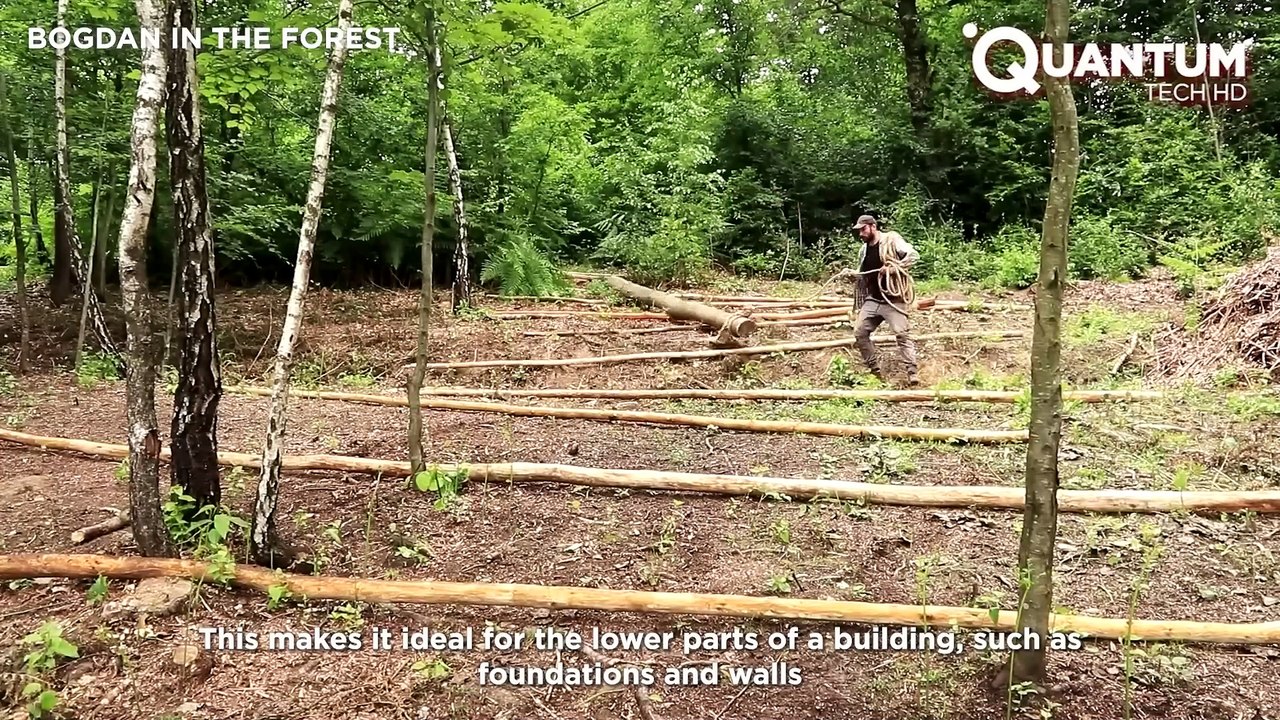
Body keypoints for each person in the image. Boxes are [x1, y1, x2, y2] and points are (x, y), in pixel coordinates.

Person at [849, 214, 920, 386]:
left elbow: (913, 255)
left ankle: (912, 372)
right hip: (873, 299)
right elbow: (862, 273)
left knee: (901, 334)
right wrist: (852, 274)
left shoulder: (891, 240)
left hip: (893, 299)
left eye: (863, 229)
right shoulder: (864, 250)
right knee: (860, 332)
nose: (861, 234)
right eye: (859, 231)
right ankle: (875, 370)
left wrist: (895, 268)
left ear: (873, 226)